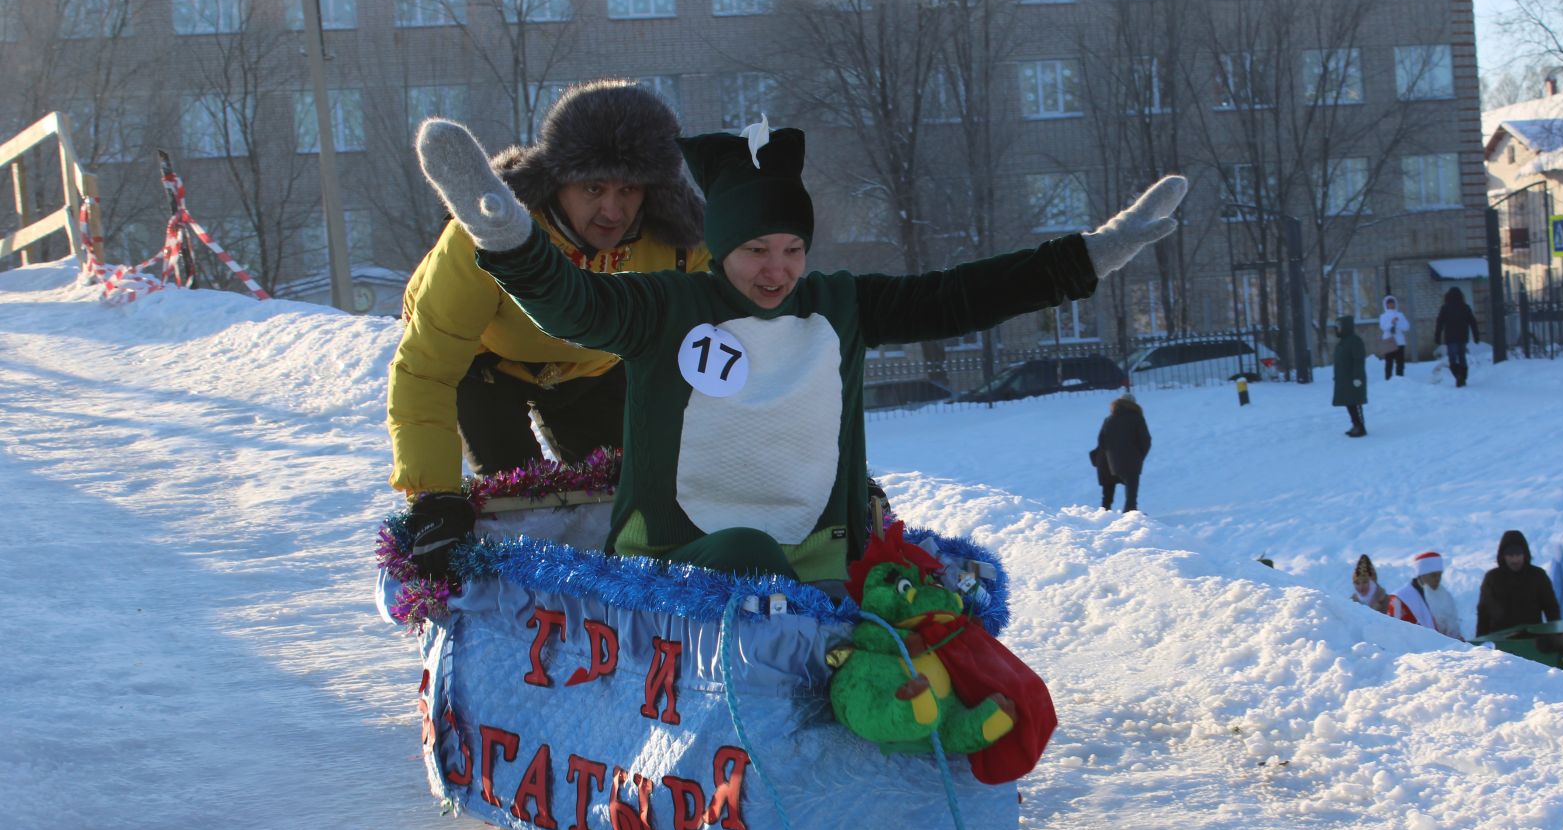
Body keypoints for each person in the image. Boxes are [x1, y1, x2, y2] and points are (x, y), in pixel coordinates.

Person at [412, 115, 1186, 582]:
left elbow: (960, 295)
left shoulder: (839, 305)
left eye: (791, 248)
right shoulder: (667, 305)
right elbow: (573, 306)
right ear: (718, 252)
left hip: (817, 552)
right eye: (754, 250)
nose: (775, 270)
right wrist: (507, 235)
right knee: (744, 555)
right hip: (680, 557)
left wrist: (1093, 254)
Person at [389, 80, 709, 577]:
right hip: (486, 362)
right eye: (593, 188)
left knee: (625, 499)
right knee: (519, 504)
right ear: (556, 180)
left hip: (593, 364)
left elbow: (720, 353)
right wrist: (434, 496)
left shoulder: (679, 244)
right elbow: (426, 372)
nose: (611, 209)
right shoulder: (485, 234)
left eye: (628, 190)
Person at [1475, 529, 1560, 637]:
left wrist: (1555, 635)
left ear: (1525, 554)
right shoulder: (1492, 578)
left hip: (1532, 639)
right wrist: (1481, 641)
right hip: (1501, 642)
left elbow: (1551, 608)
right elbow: (1484, 612)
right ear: (1503, 556)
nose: (1515, 560)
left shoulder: (1538, 576)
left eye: (1518, 554)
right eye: (1510, 555)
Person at [1094, 394, 1151, 512]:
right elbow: (1145, 441)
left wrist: (1110, 455)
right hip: (1131, 459)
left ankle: (1104, 513)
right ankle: (1130, 512)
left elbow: (1101, 441)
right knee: (1131, 489)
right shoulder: (1137, 418)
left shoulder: (1109, 420)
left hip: (1109, 461)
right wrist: (1139, 456)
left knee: (1108, 489)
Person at [1388, 551, 1463, 639]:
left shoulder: (1444, 595)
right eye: (1433, 575)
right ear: (1421, 575)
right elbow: (1397, 633)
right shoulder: (1401, 599)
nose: (1437, 579)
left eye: (1439, 575)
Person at [1332, 315, 1369, 436]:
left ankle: (1360, 427)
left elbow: (1359, 360)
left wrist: (1357, 377)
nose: (1337, 330)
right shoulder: (1343, 342)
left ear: (1345, 327)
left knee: (1355, 402)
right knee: (1349, 403)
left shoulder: (1354, 341)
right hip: (1344, 379)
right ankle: (1355, 424)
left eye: (1339, 327)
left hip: (1353, 379)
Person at [1435, 286, 1479, 387]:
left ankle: (1458, 375)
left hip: (1450, 338)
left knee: (1452, 359)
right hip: (1463, 336)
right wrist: (1476, 335)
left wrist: (1437, 336)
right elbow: (1473, 322)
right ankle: (1463, 376)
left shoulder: (1445, 308)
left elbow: (1440, 323)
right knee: (1462, 356)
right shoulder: (1465, 307)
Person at [1378, 294, 1409, 379]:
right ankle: (1388, 380)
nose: (1391, 305)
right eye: (1389, 303)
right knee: (1389, 362)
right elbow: (1383, 327)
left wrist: (1397, 324)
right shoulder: (1383, 316)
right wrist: (1391, 322)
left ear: (1395, 304)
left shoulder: (1400, 315)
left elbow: (1406, 327)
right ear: (1385, 304)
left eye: (1393, 303)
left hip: (1400, 341)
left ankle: (1400, 379)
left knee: (1400, 362)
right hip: (1389, 341)